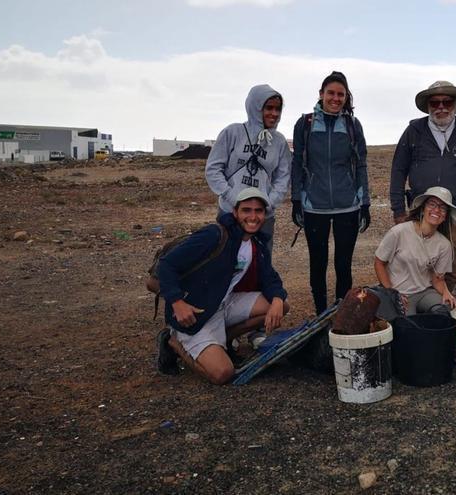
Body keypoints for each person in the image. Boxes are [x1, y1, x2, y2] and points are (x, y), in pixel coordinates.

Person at [155, 187, 289, 385]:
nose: (253, 216)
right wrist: (177, 302)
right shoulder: (214, 235)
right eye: (246, 210)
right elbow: (166, 265)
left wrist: (278, 299)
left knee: (280, 306)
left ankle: (224, 341)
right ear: (235, 212)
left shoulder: (256, 244)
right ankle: (173, 342)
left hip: (223, 302)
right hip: (195, 313)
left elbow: (270, 279)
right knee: (223, 374)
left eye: (258, 211)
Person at [389, 80, 456, 292]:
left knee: (449, 266)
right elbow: (398, 171)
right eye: (435, 103)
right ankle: (417, 306)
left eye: (447, 102)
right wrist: (398, 209)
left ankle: (443, 311)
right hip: (420, 211)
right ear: (428, 106)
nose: (441, 107)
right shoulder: (413, 132)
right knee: (415, 263)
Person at [290, 71, 370, 315]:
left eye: (341, 94)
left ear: (346, 98)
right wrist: (296, 199)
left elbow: (361, 164)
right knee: (318, 263)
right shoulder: (305, 124)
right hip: (315, 205)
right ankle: (321, 313)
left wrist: (364, 202)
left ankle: (338, 312)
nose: (335, 98)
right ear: (321, 94)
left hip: (348, 205)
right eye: (331, 93)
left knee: (343, 265)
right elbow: (297, 164)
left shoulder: (352, 125)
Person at [205, 84, 291, 253]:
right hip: (230, 211)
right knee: (224, 258)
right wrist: (232, 197)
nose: (274, 114)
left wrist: (270, 203)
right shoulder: (233, 133)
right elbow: (213, 169)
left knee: (260, 261)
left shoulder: (279, 142)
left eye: (278, 109)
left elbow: (283, 178)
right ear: (256, 107)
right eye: (269, 108)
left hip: (262, 215)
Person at [375, 187, 456, 316]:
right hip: (399, 291)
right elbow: (379, 263)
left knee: (446, 310)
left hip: (424, 292)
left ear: (445, 216)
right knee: (409, 324)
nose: (436, 210)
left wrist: (446, 292)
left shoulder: (444, 245)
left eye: (442, 208)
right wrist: (391, 293)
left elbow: (438, 279)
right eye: (432, 204)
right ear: (423, 208)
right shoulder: (399, 232)